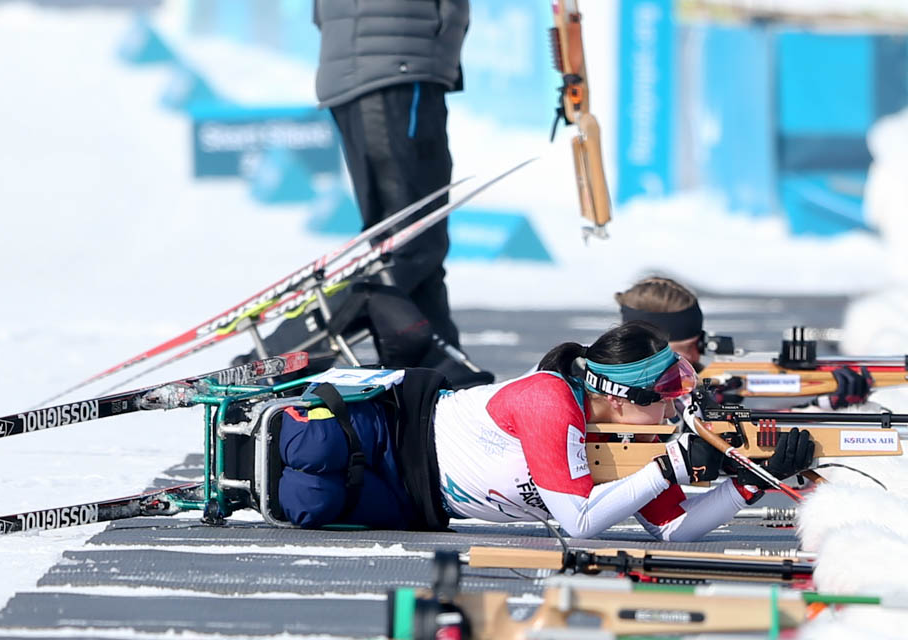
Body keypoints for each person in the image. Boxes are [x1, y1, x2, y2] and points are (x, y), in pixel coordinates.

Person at [276, 322, 815, 539]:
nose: (673, 414)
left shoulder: (632, 444)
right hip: (392, 445)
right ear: (619, 399)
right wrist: (672, 466)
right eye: (665, 400)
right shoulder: (548, 399)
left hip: (414, 502)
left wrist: (751, 483)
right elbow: (578, 525)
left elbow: (673, 530)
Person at [241, 1, 487, 388]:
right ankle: (278, 352)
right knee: (409, 244)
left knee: (404, 241)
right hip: (395, 59)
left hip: (375, 61)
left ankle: (438, 370)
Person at [614, 276, 872, 409]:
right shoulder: (621, 402)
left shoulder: (692, 387)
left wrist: (821, 405)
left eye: (699, 344)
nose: (696, 357)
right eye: (685, 348)